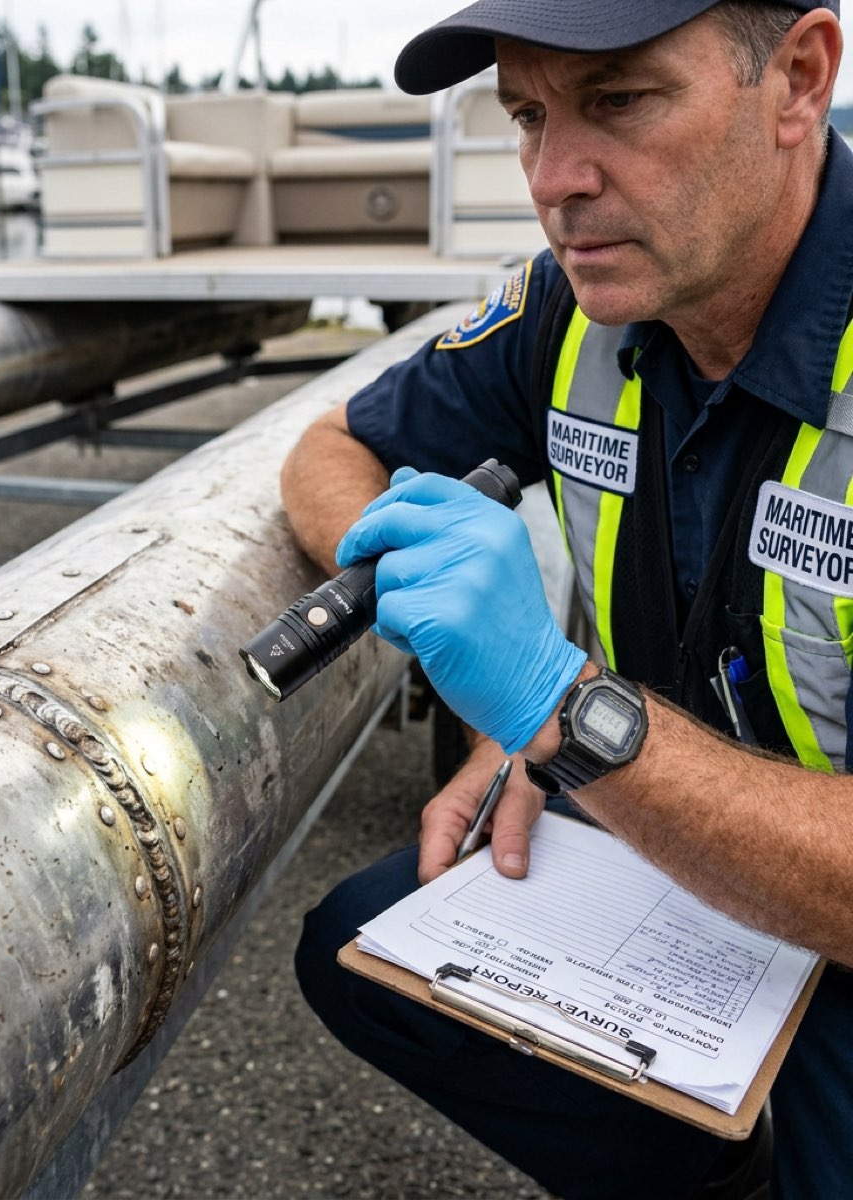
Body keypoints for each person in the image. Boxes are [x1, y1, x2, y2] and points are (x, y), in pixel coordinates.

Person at [285, 1, 853, 1196]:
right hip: (691, 854)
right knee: (368, 947)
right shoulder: (569, 306)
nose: (555, 180)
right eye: (529, 116)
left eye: (619, 100)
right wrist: (423, 571)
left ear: (798, 78)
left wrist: (563, 715)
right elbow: (330, 449)